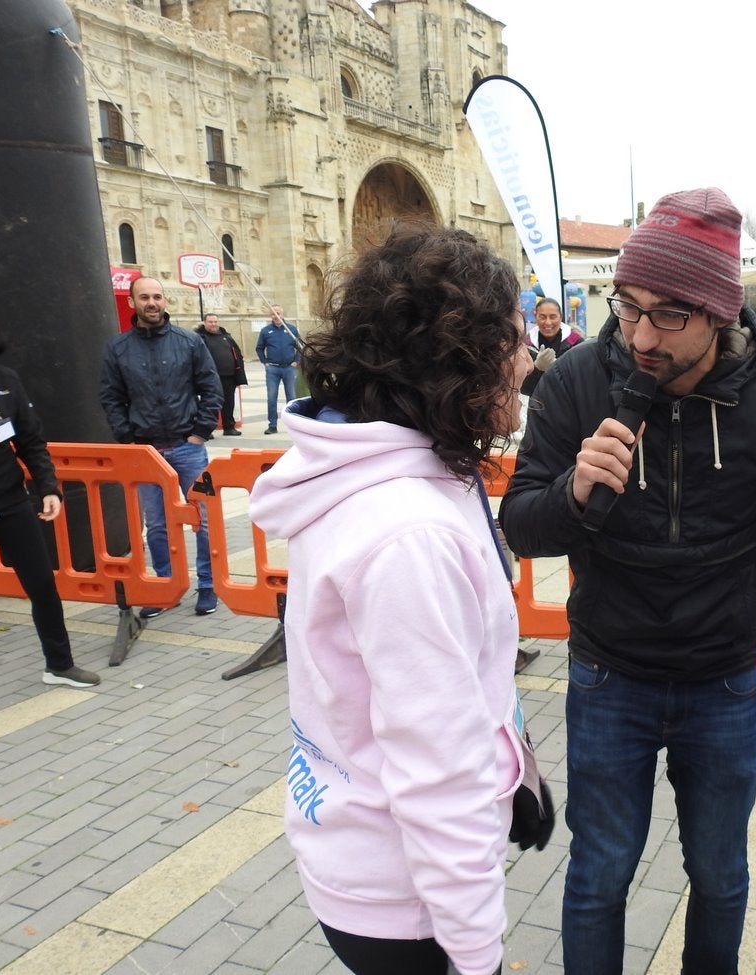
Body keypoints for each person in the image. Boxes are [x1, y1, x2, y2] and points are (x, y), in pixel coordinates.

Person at [499, 187, 756, 975]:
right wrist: (572, 491)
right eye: (628, 307)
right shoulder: (577, 381)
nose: (639, 336)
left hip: (723, 681)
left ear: (720, 312)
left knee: (722, 876)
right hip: (606, 672)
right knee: (599, 873)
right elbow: (520, 522)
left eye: (668, 315)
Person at [248, 224, 545, 975]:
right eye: (514, 339)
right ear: (462, 359)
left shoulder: (398, 473)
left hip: (365, 853)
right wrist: (480, 954)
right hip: (403, 899)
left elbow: (455, 687)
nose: (529, 359)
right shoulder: (408, 531)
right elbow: (435, 767)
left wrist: (517, 769)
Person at [0, 300, 100, 687]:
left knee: (41, 583)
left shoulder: (2, 377)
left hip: (7, 497)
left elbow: (30, 439)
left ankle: (59, 665)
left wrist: (47, 487)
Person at [99, 275, 223, 618]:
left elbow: (210, 387)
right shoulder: (118, 348)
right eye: (144, 297)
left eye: (157, 296)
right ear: (131, 302)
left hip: (188, 448)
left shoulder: (189, 342)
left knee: (203, 519)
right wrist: (128, 439)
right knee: (156, 525)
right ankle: (165, 586)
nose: (151, 303)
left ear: (165, 300)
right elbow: (111, 396)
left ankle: (208, 585)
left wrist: (199, 432)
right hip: (147, 454)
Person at [195, 312, 247, 436]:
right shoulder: (199, 338)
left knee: (229, 404)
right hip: (210, 378)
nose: (213, 324)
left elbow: (237, 354)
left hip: (229, 376)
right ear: (204, 323)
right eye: (210, 322)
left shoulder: (226, 337)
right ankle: (207, 430)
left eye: (215, 322)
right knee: (210, 404)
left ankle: (229, 428)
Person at [520, 296, 583, 397]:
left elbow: (582, 381)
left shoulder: (576, 343)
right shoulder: (526, 345)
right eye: (542, 317)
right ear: (536, 317)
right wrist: (537, 368)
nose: (548, 322)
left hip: (568, 405)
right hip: (538, 406)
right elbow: (524, 388)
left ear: (560, 317)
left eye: (553, 317)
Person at [256, 304, 302, 434]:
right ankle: (272, 425)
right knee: (272, 397)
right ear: (270, 316)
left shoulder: (291, 329)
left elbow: (299, 346)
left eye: (278, 313)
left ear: (283, 314)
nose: (276, 316)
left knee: (291, 398)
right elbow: (259, 348)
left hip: (289, 368)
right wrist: (264, 362)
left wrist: (297, 361)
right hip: (273, 369)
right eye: (273, 313)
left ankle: (294, 426)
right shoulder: (266, 331)